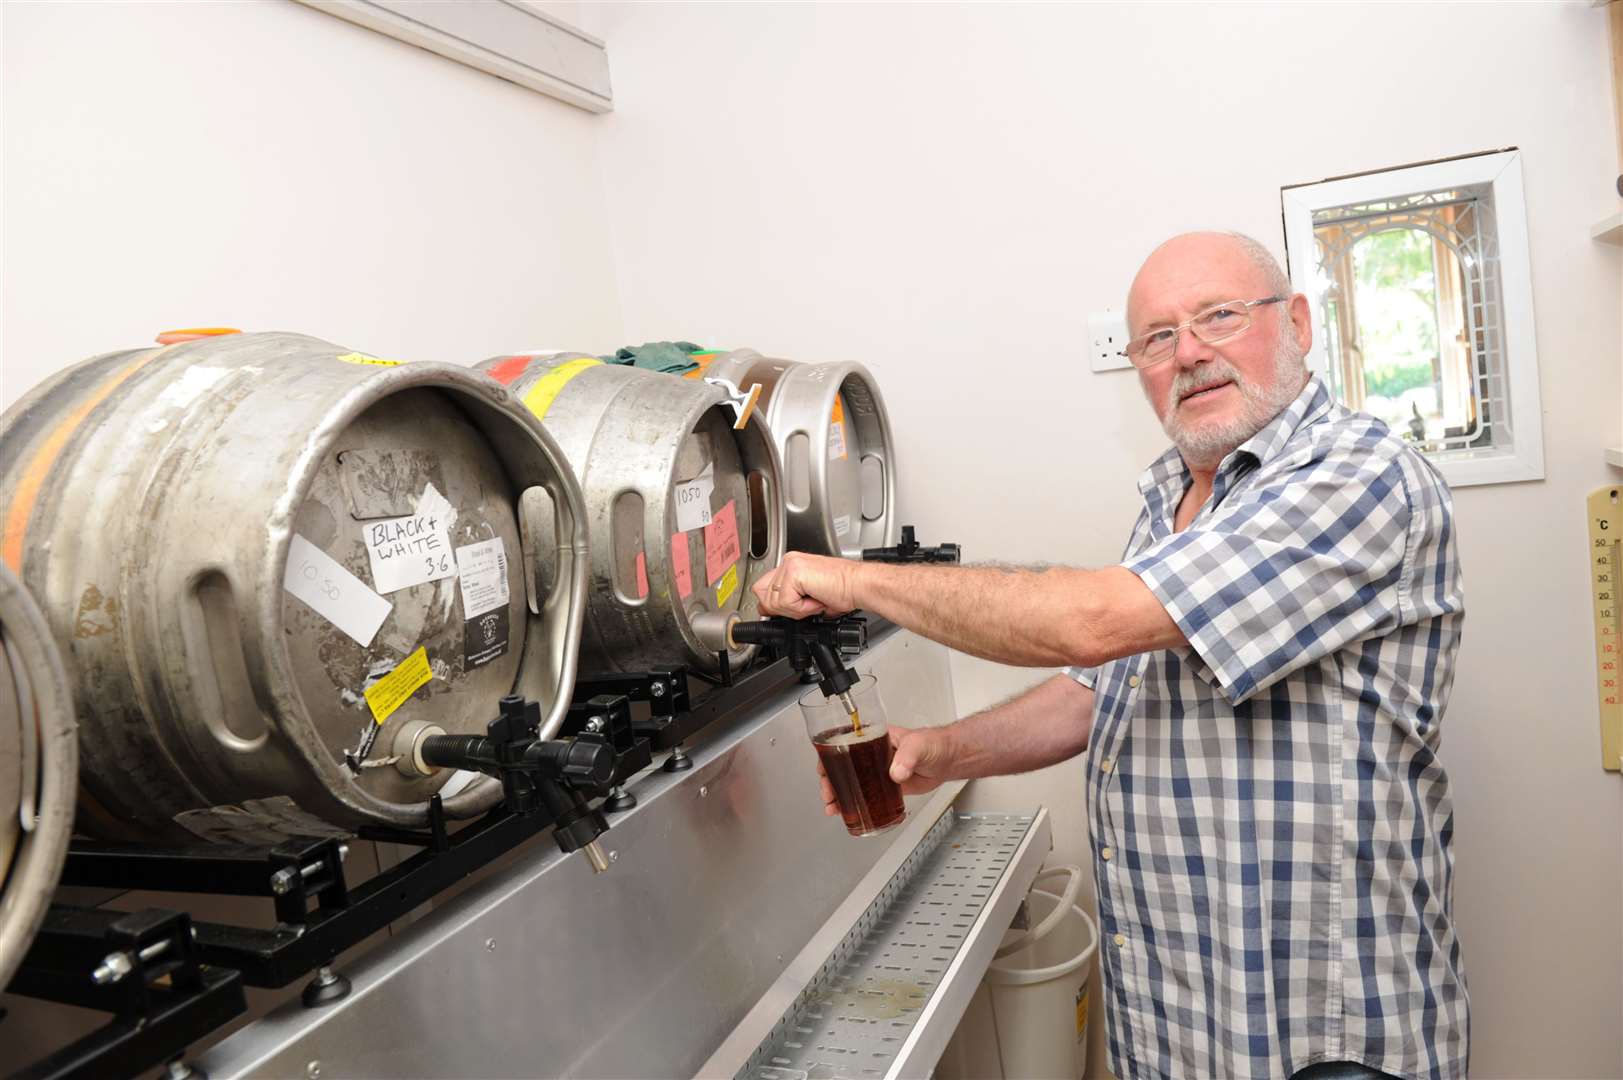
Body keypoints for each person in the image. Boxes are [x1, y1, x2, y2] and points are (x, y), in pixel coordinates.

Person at [752, 231, 1468, 1080]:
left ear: (1298, 324)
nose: (1190, 354)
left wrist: (856, 581)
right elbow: (1101, 690)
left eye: (1220, 317)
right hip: (1179, 1022)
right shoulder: (1179, 494)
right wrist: (943, 754)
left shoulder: (1357, 475)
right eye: (1158, 338)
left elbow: (1088, 623)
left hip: (1310, 1034)